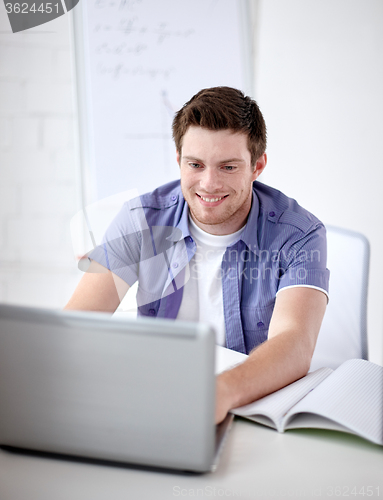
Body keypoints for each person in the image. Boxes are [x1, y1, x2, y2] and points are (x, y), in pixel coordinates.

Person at [65, 86, 329, 424]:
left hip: (249, 404)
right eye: (195, 164)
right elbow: (77, 325)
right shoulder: (140, 220)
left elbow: (295, 343)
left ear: (257, 165)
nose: (208, 183)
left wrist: (219, 393)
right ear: (178, 160)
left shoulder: (300, 234)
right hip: (156, 398)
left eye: (228, 167)